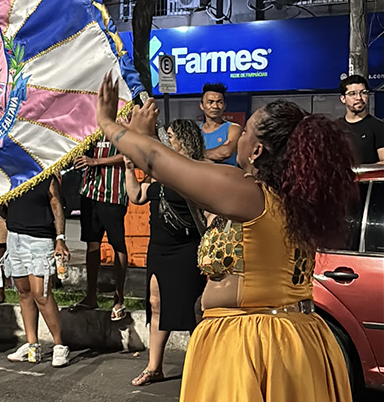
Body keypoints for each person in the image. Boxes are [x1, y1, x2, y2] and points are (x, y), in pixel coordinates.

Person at [95, 72, 354, 401]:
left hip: (253, 345)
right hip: (294, 341)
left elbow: (158, 163)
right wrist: (151, 143)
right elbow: (182, 177)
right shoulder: (294, 200)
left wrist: (107, 122)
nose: (239, 136)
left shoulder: (250, 194)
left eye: (245, 131)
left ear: (257, 150)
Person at [123, 119, 207, 386]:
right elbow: (136, 195)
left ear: (183, 139)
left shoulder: (192, 170)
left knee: (194, 309)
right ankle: (153, 366)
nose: (168, 140)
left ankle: (204, 366)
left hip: (187, 248)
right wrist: (127, 167)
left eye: (171, 136)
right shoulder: (162, 173)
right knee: (156, 303)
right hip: (159, 248)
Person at [1, 175, 71, 367]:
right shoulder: (11, 176)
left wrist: (60, 238)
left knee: (41, 294)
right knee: (24, 292)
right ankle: (32, 344)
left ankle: (59, 345)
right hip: (14, 237)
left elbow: (56, 205)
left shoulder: (47, 178)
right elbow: (3, 209)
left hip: (39, 240)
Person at [70, 133, 129, 320]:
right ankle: (91, 295)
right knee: (92, 242)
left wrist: (95, 161)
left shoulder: (125, 119)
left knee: (117, 244)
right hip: (89, 190)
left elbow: (129, 154)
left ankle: (119, 298)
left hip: (113, 193)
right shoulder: (91, 120)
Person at [339, 74, 384, 164]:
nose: (359, 98)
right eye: (353, 94)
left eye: (363, 92)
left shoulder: (379, 127)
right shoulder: (335, 128)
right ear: (343, 99)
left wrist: (361, 173)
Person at [199, 82, 241, 166]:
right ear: (202, 106)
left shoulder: (233, 128)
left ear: (224, 106)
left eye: (219, 102)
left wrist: (198, 154)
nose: (215, 106)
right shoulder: (196, 131)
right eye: (210, 102)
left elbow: (225, 152)